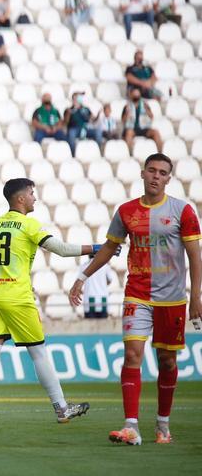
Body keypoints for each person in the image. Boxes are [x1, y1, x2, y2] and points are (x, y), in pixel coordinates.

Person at [69, 153, 201, 445]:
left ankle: (162, 423)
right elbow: (108, 248)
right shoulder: (126, 211)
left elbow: (195, 255)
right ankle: (131, 426)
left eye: (162, 172)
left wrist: (196, 297)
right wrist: (82, 276)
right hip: (137, 294)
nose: (156, 176)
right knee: (132, 355)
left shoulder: (183, 211)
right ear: (142, 174)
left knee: (167, 361)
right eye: (151, 170)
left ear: (169, 178)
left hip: (172, 298)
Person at [0, 178, 98, 426]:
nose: (34, 198)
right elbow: (60, 249)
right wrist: (96, 247)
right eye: (31, 193)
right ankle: (62, 409)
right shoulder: (28, 224)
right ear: (20, 199)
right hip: (17, 298)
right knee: (38, 353)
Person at [122, 88, 164, 152]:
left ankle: (160, 153)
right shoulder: (127, 106)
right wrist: (127, 114)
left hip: (144, 128)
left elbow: (151, 117)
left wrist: (147, 110)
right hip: (132, 128)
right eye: (135, 95)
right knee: (129, 133)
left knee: (155, 132)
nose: (136, 97)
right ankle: (129, 153)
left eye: (137, 95)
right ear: (131, 95)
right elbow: (123, 120)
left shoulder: (145, 105)